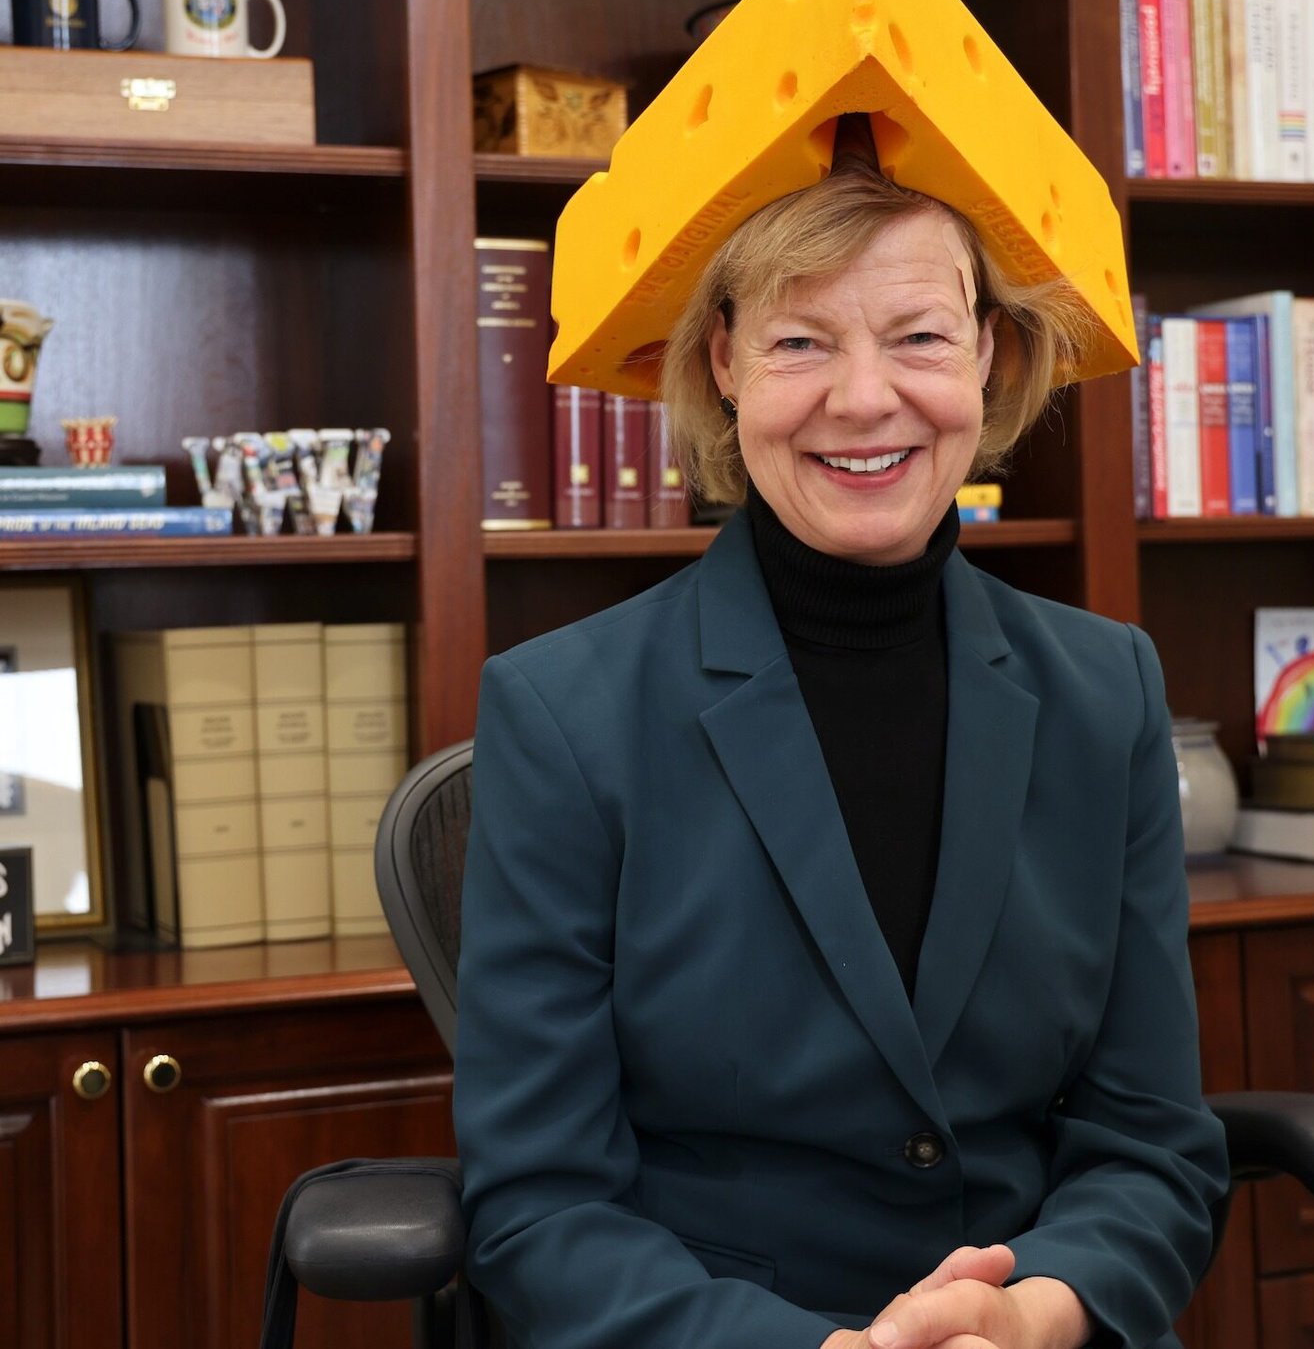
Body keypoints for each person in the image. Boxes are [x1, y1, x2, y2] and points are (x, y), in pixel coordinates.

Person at [454, 148, 1230, 1349]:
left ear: (987, 355)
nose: (863, 398)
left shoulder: (1103, 687)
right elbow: (539, 1204)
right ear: (722, 361)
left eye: (918, 337)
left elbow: (1152, 1141)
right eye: (800, 342)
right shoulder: (562, 712)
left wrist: (1030, 1314)